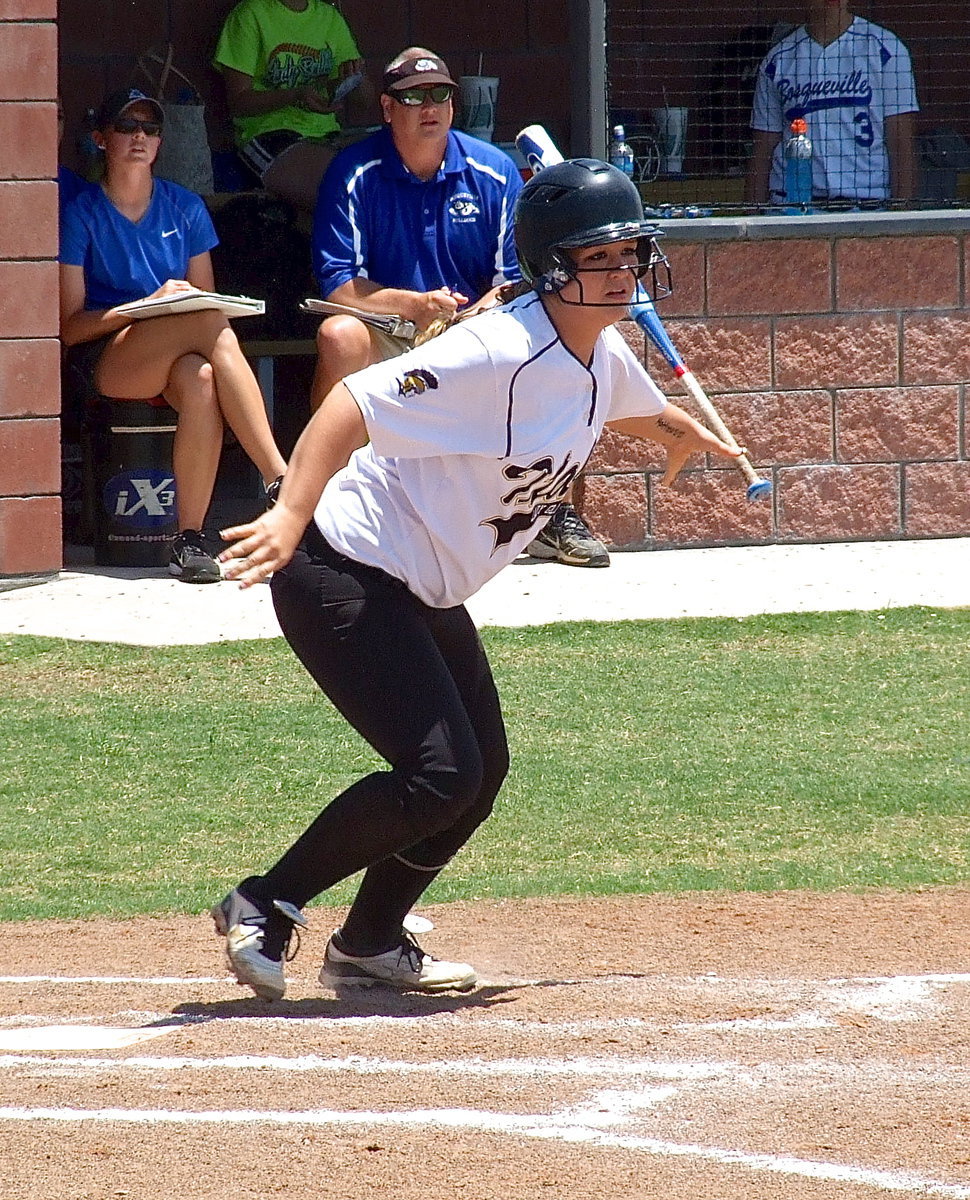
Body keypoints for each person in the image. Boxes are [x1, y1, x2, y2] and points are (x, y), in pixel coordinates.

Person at [209, 158, 745, 1002]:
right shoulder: (495, 349)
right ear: (550, 267)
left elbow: (619, 400)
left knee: (479, 773)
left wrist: (676, 427)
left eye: (630, 254)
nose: (623, 272)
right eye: (599, 256)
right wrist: (285, 512)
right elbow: (352, 400)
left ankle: (369, 944)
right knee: (440, 774)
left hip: (418, 583)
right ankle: (265, 901)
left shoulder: (597, 351)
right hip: (341, 563)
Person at [311, 45, 607, 567]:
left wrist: (469, 320)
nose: (430, 106)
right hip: (388, 325)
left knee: (558, 335)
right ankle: (321, 497)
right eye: (414, 96)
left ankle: (551, 513)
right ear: (386, 108)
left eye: (441, 94)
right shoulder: (353, 171)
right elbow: (338, 285)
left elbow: (518, 284)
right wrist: (414, 305)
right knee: (338, 335)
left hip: (471, 329)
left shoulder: (493, 171)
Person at [59, 88, 288, 583]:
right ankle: (278, 477)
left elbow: (203, 302)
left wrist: (171, 309)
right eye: (127, 126)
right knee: (209, 325)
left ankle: (189, 539)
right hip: (108, 356)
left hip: (181, 351)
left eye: (150, 128)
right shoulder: (80, 212)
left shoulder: (184, 207)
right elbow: (70, 327)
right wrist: (142, 309)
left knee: (203, 377)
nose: (140, 136)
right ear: (101, 139)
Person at [745, 0, 918, 206]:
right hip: (793, 207)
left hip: (868, 204)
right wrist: (752, 219)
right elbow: (762, 151)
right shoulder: (778, 60)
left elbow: (901, 144)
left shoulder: (886, 49)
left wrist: (902, 215)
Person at [213, 0, 373, 213]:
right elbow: (238, 102)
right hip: (269, 136)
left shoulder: (329, 17)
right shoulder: (250, 13)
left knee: (391, 161)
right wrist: (295, 95)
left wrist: (356, 80)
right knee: (338, 189)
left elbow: (366, 101)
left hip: (328, 135)